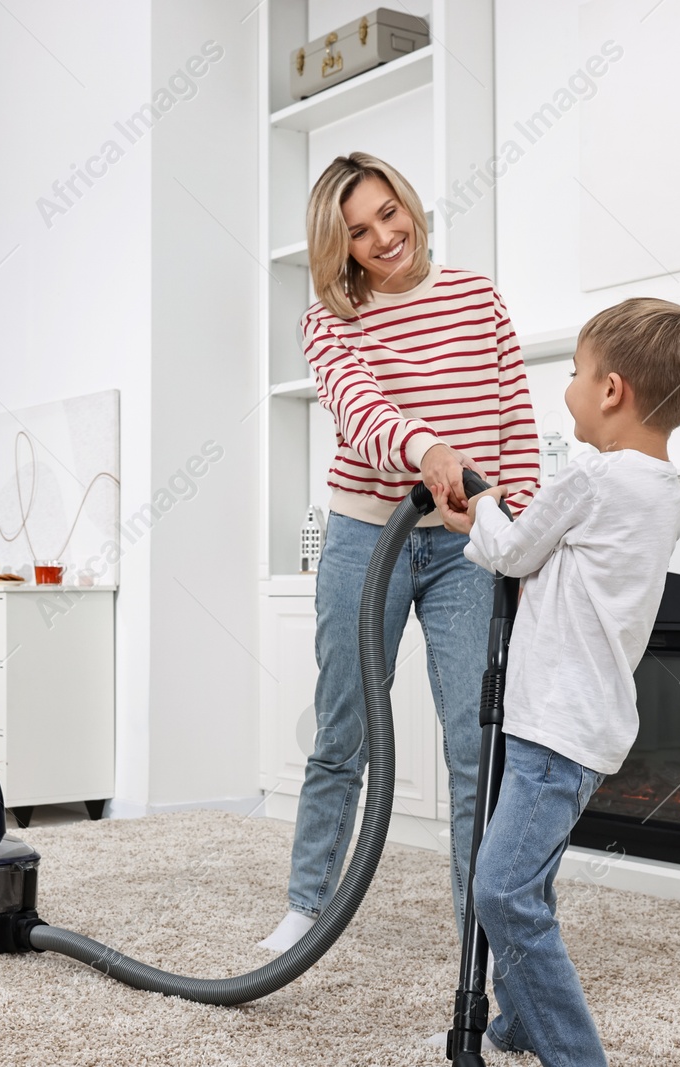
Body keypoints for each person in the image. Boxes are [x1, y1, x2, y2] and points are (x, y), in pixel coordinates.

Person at [260, 151, 540, 954]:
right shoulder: (328, 319)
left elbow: (516, 425)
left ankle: (479, 943)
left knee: (473, 741)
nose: (386, 236)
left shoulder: (475, 297)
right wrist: (428, 453)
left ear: (409, 204)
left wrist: (512, 532)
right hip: (364, 536)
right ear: (337, 246)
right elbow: (360, 410)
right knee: (343, 725)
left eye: (390, 212)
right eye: (359, 230)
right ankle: (307, 906)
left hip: (469, 547)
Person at [435, 297, 680, 1065]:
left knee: (500, 889)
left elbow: (516, 551)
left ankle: (574, 1054)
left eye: (573, 373)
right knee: (531, 878)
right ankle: (518, 1027)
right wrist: (494, 529)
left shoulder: (593, 478)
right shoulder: (662, 491)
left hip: (551, 728)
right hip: (586, 727)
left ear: (611, 390)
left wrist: (484, 502)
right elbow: (558, 561)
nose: (566, 388)